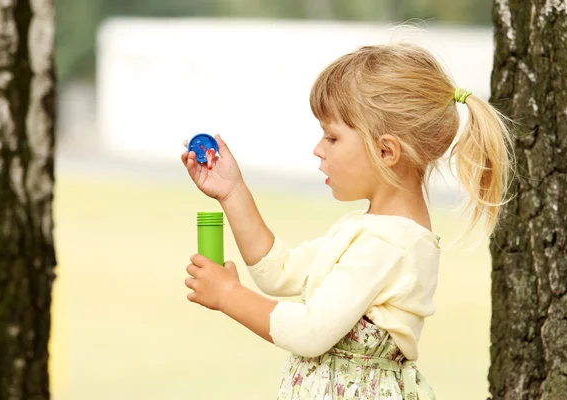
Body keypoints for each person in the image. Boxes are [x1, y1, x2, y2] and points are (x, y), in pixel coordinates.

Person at [181, 41, 513, 399]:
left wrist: (229, 294)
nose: (318, 148)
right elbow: (279, 272)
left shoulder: (392, 244)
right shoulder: (367, 229)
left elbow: (311, 331)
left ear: (386, 151)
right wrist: (233, 192)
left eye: (332, 136)